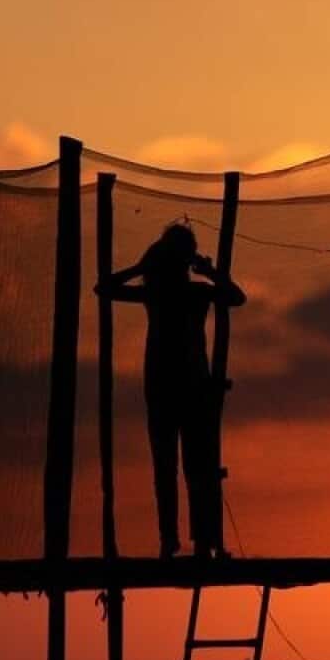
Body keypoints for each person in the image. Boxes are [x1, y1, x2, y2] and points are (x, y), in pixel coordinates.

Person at [97, 223, 246, 559]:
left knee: (175, 466)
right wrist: (209, 272)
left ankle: (180, 539)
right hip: (181, 387)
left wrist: (141, 268)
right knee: (191, 466)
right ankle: (188, 539)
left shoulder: (165, 294)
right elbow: (235, 296)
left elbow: (104, 287)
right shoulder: (191, 293)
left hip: (173, 387)